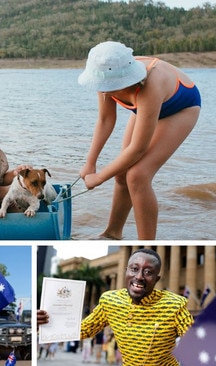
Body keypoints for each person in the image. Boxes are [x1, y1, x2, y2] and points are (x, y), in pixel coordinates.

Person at [77, 41, 201, 240]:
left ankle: (147, 245)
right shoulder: (105, 73)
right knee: (121, 173)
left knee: (138, 175)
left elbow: (137, 149)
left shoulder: (149, 85)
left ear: (125, 80)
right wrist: (90, 163)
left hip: (180, 107)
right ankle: (112, 233)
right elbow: (105, 119)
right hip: (144, 107)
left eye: (110, 88)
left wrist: (99, 178)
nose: (105, 92)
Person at [38, 248, 194, 365]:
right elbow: (83, 330)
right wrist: (45, 323)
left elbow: (198, 341)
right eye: (134, 269)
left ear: (156, 278)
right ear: (125, 271)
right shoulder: (110, 301)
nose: (139, 277)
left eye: (148, 272)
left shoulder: (174, 305)